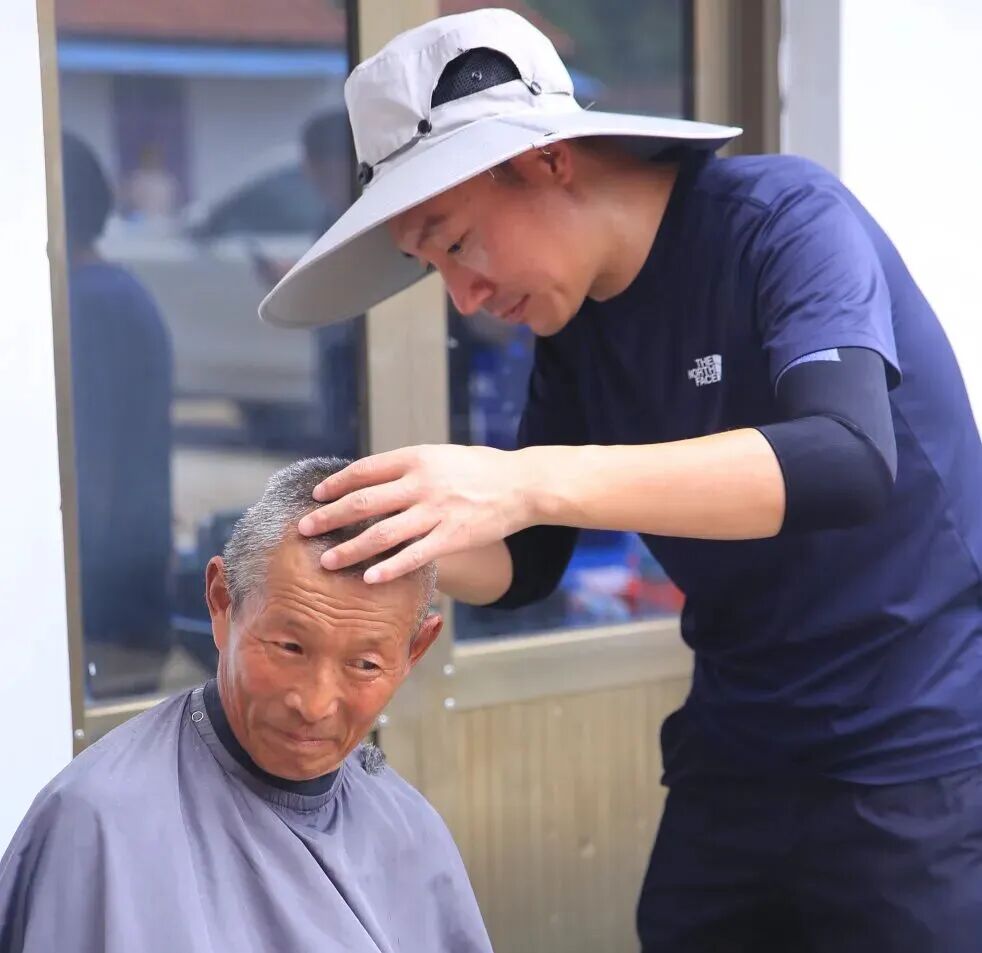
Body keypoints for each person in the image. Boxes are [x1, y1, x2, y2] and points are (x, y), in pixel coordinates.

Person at [259, 9, 982, 952]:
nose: (466, 297)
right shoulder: (575, 323)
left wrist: (529, 478)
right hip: (737, 747)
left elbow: (846, 456)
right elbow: (528, 562)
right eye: (432, 267)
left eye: (458, 242)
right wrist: (388, 527)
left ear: (547, 161)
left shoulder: (785, 220)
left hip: (914, 753)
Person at [0, 457, 493, 953]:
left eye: (364, 664)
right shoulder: (99, 824)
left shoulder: (409, 832)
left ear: (414, 652)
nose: (315, 704)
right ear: (221, 601)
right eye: (289, 647)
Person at [61, 131, 174, 698]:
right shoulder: (116, 291)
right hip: (128, 589)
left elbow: (92, 469)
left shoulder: (88, 305)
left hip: (107, 606)